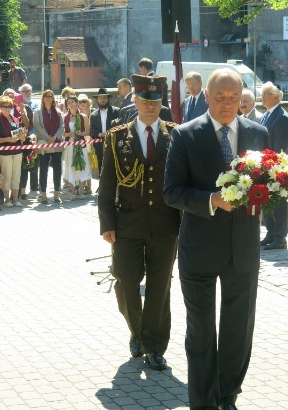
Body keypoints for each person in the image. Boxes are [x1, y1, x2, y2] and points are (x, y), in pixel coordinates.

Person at [163, 69, 269, 409]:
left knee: (238, 329)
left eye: (234, 98)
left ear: (243, 99)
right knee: (201, 333)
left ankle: (227, 395)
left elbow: (268, 184)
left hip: (243, 249)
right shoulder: (185, 135)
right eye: (220, 97)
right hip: (199, 249)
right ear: (206, 96)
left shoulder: (258, 133)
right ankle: (203, 401)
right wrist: (211, 200)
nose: (227, 104)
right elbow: (172, 192)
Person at [98, 75, 180, 371]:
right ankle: (137, 331)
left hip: (165, 224)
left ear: (162, 103)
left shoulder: (176, 134)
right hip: (127, 223)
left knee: (160, 287)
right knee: (126, 283)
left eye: (155, 101)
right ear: (135, 101)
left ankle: (155, 346)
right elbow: (107, 184)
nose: (150, 106)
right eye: (144, 100)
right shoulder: (118, 137)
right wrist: (106, 223)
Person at [260, 81, 288, 250]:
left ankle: (280, 237)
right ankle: (270, 233)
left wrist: (273, 166)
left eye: (265, 94)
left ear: (275, 97)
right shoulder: (267, 114)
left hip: (276, 167)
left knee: (278, 202)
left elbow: (280, 147)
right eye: (262, 94)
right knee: (267, 201)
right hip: (265, 166)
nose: (262, 98)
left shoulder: (281, 117)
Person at [0, 96, 27, 207]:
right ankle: (7, 200)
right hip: (5, 152)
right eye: (4, 106)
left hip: (17, 150)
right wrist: (8, 139)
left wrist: (22, 137)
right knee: (7, 175)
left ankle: (15, 200)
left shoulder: (16, 119)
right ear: (0, 107)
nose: (7, 109)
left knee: (16, 175)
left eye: (9, 106)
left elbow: (21, 135)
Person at [33, 90, 63, 204]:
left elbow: (62, 126)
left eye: (50, 96)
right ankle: (43, 195)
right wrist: (47, 138)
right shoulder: (38, 112)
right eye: (46, 96)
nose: (48, 98)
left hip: (56, 144)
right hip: (44, 143)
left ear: (53, 98)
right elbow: (37, 126)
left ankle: (56, 194)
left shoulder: (58, 112)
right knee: (44, 169)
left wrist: (55, 137)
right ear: (43, 98)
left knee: (57, 169)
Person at [62, 95, 92, 198]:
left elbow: (87, 131)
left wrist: (81, 134)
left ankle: (82, 192)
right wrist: (68, 134)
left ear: (77, 103)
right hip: (70, 145)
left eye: (72, 101)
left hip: (81, 144)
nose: (70, 103)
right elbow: (63, 133)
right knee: (71, 166)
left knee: (82, 167)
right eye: (68, 102)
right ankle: (73, 193)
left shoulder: (83, 116)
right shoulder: (65, 117)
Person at [89, 88, 119, 175]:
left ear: (108, 99)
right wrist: (99, 134)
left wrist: (109, 133)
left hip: (113, 144)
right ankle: (102, 187)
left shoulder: (116, 111)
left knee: (114, 168)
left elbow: (120, 126)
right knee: (101, 168)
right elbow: (92, 129)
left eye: (104, 98)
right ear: (97, 100)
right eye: (100, 98)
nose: (102, 100)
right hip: (99, 146)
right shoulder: (93, 114)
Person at [18, 83, 40, 200]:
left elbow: (36, 120)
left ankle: (34, 188)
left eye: (29, 91)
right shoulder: (16, 105)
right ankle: (22, 190)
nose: (27, 93)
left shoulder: (35, 104)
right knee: (23, 166)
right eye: (25, 91)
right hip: (20, 139)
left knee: (34, 164)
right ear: (20, 93)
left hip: (33, 137)